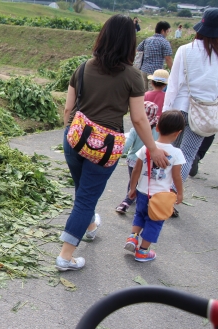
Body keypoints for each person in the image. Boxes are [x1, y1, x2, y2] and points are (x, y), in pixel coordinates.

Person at [56, 14, 169, 271]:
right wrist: (153, 148)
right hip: (104, 148)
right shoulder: (133, 76)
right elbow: (139, 120)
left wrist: (70, 135)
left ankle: (91, 226)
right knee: (86, 198)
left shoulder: (83, 67)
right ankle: (65, 256)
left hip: (74, 139)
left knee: (83, 191)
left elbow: (68, 109)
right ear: (130, 43)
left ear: (103, 37)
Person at [162, 8, 218, 211]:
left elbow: (174, 85)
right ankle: (170, 198)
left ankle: (160, 192)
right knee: (186, 155)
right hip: (203, 114)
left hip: (179, 110)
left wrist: (165, 112)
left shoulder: (185, 50)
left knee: (172, 152)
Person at [124, 110, 185, 262]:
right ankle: (143, 252)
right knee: (154, 222)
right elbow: (177, 176)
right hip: (160, 197)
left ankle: (132, 237)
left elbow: (136, 170)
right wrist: (180, 193)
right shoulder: (176, 153)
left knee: (139, 214)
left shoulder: (147, 148)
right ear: (178, 133)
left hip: (142, 192)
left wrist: (132, 188)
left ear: (156, 127)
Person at [116, 101, 159, 214]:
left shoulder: (135, 130)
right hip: (152, 161)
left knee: (133, 182)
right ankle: (148, 202)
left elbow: (126, 146)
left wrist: (115, 154)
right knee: (148, 182)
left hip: (134, 161)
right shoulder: (158, 130)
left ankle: (127, 201)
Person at [137, 21, 173, 91]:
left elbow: (138, 50)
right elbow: (168, 59)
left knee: (144, 93)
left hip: (143, 70)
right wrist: (173, 71)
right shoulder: (164, 42)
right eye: (167, 31)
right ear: (163, 31)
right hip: (155, 73)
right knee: (153, 93)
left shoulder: (147, 40)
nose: (167, 33)